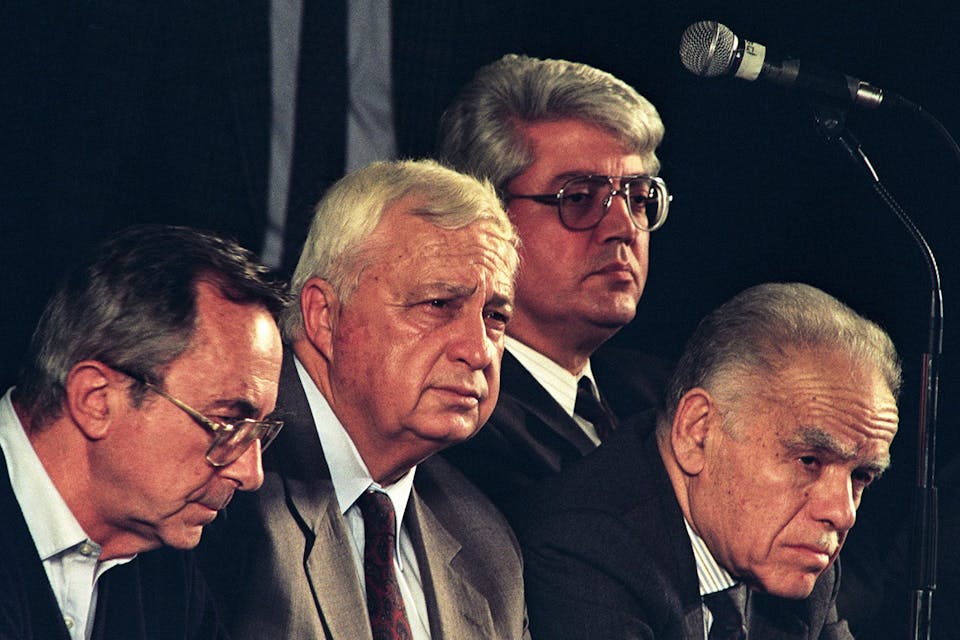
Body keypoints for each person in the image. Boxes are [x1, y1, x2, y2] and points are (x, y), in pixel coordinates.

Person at [199, 159, 529, 639]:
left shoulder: (487, 544)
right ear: (324, 316)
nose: (479, 350)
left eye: (495, 317)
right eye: (438, 305)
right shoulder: (222, 493)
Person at [519, 282, 901, 639]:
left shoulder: (796, 561)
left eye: (861, 476)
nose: (842, 512)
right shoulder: (583, 549)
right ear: (698, 432)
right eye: (809, 460)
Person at [0, 225, 286, 639]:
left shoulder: (161, 556)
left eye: (259, 430)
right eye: (226, 423)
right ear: (96, 400)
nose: (251, 474)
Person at [437, 53, 674, 523]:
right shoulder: (460, 418)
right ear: (486, 217)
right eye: (581, 199)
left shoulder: (668, 400)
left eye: (640, 198)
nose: (624, 227)